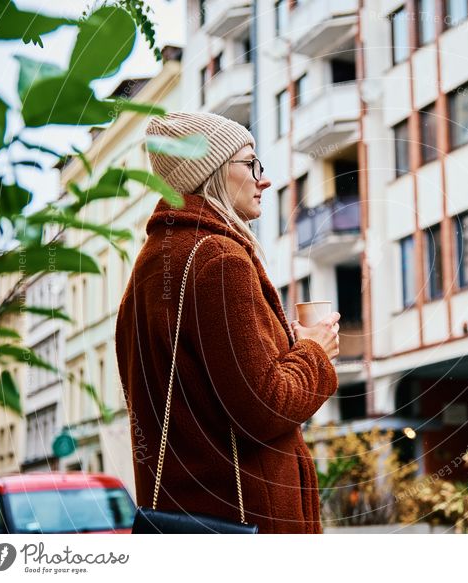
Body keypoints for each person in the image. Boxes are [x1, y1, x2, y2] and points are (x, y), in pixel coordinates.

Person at [115, 111, 340, 534]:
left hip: (190, 515)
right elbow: (265, 406)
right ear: (211, 170)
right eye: (251, 162)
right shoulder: (217, 259)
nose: (264, 179)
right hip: (246, 519)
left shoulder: (151, 265)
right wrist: (314, 352)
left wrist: (280, 346)